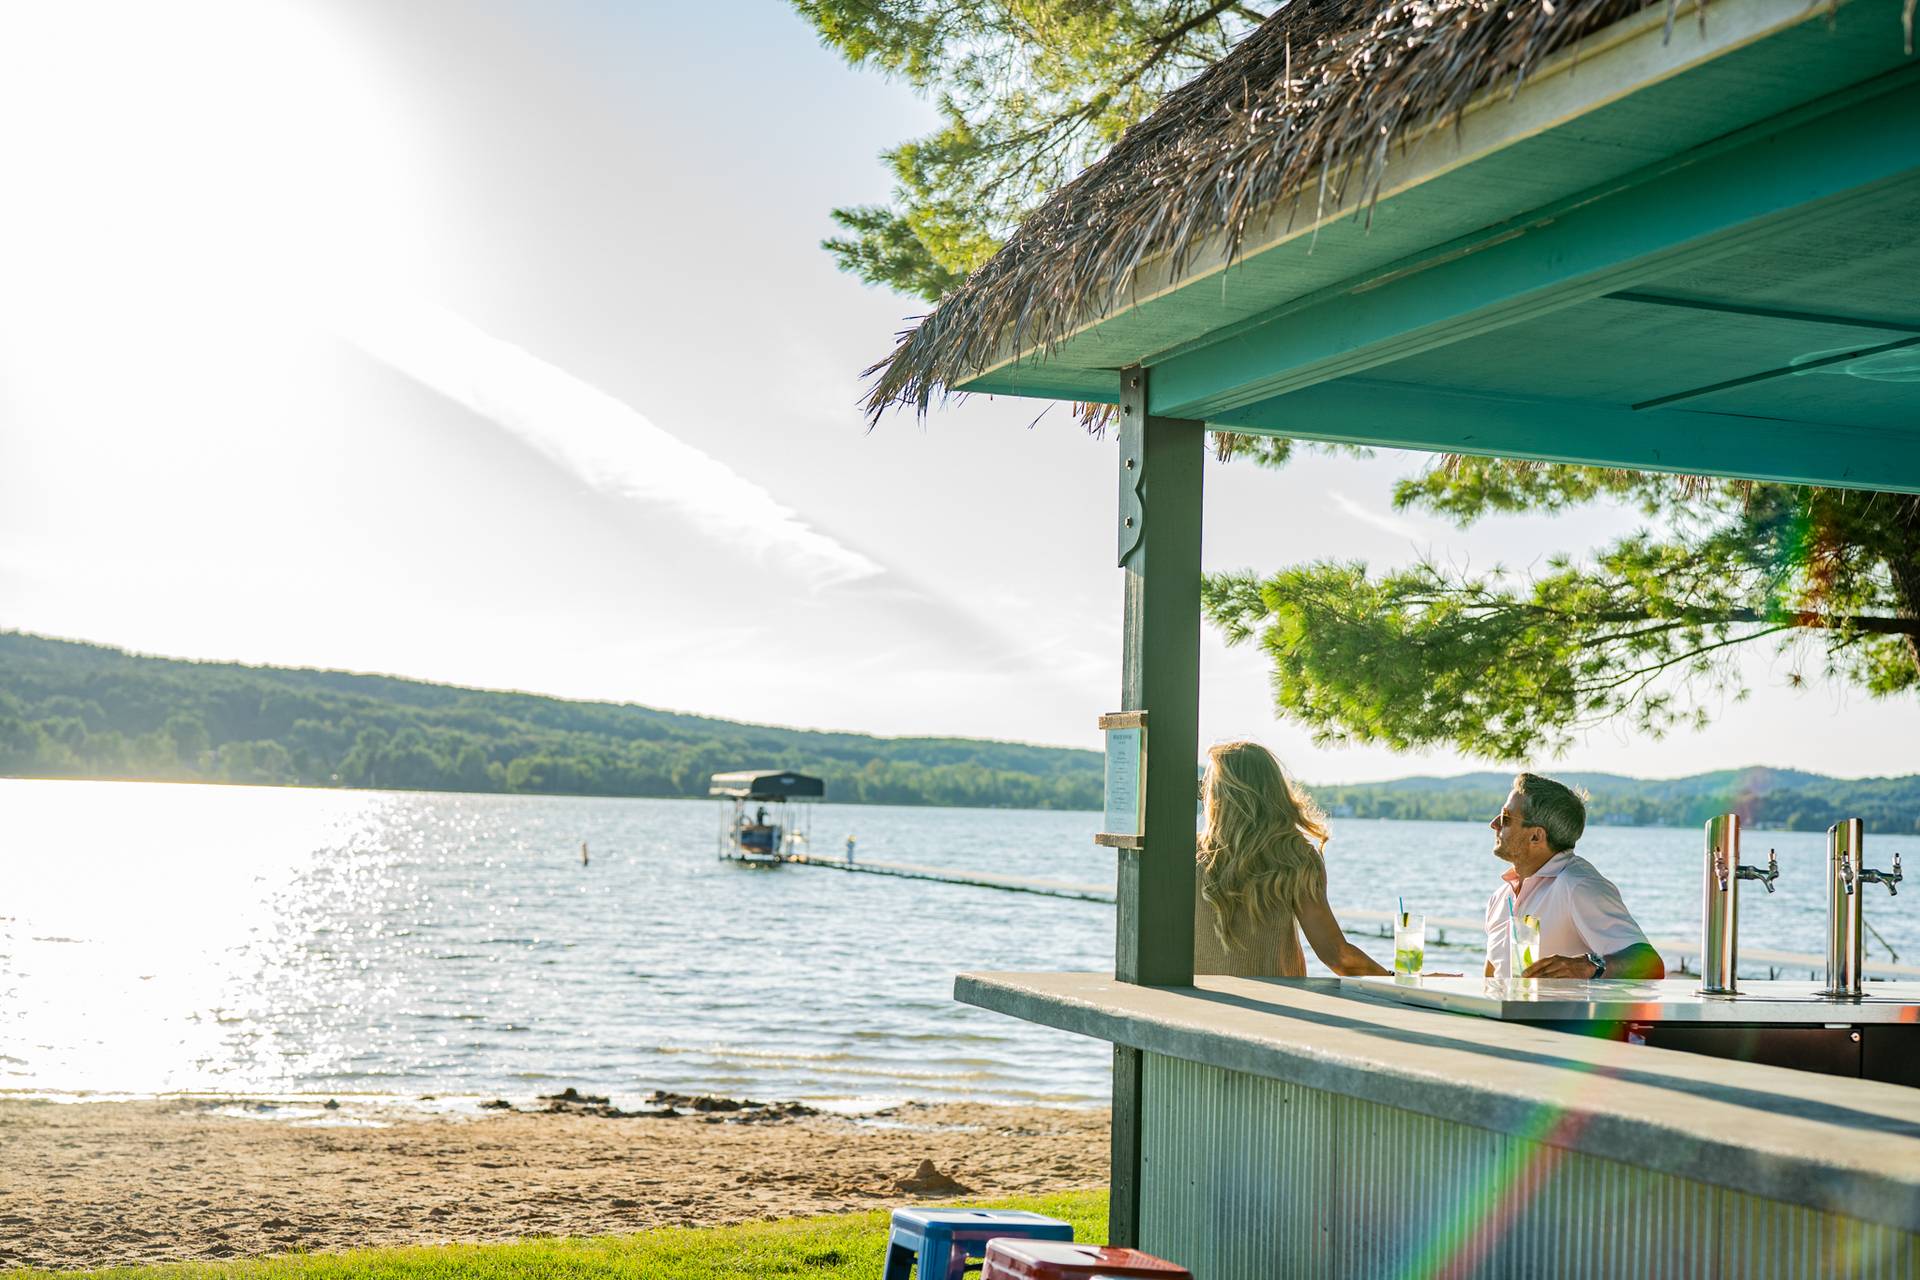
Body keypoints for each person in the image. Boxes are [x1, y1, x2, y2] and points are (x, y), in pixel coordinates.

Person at [1193, 741, 1388, 978]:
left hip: (1202, 1008)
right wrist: (1396, 981)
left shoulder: (1185, 854)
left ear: (1218, 797)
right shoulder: (1295, 857)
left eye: (1205, 787)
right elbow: (1338, 956)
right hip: (1279, 1008)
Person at [1485, 772, 1665, 980]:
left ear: (1536, 836)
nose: (1494, 824)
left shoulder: (1578, 885)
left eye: (1505, 818)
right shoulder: (1501, 897)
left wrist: (1590, 966)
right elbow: (1492, 980)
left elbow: (1651, 965)